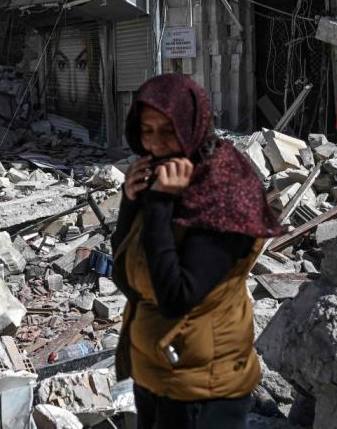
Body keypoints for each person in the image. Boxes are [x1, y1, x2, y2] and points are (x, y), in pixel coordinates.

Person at [110, 74, 285, 429]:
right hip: (156, 371)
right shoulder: (166, 177)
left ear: (193, 127)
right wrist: (131, 203)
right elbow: (127, 279)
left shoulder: (223, 190)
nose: (156, 144)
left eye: (169, 130)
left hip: (203, 385)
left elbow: (177, 298)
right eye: (147, 130)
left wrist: (158, 204)